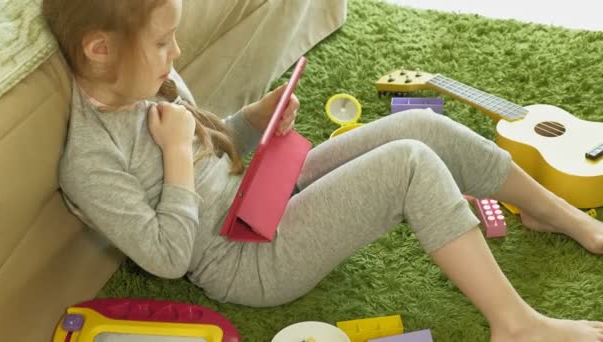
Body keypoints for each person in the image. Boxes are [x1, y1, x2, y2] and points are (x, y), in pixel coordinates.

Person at [43, 0, 603, 341]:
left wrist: (250, 121)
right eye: (163, 42)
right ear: (99, 49)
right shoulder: (89, 162)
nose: (177, 51)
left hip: (260, 192)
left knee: (422, 130)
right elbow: (167, 258)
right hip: (246, 261)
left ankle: (554, 214)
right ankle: (516, 325)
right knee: (407, 165)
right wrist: (176, 157)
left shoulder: (149, 81)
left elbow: (208, 145)